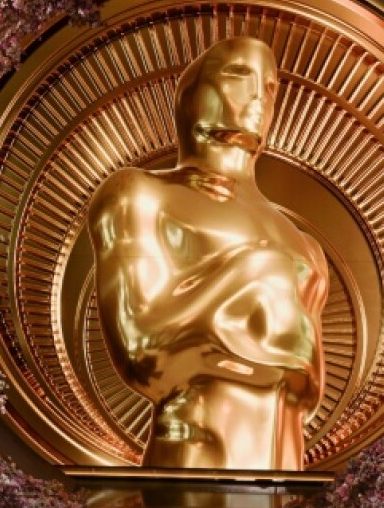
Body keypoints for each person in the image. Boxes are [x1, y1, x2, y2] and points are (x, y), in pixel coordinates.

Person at [90, 36, 328, 471]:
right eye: (238, 75)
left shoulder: (306, 247)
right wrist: (259, 270)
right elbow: (142, 349)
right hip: (192, 459)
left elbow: (307, 392)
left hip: (285, 474)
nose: (258, 95)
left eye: (270, 86)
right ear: (191, 95)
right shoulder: (141, 194)